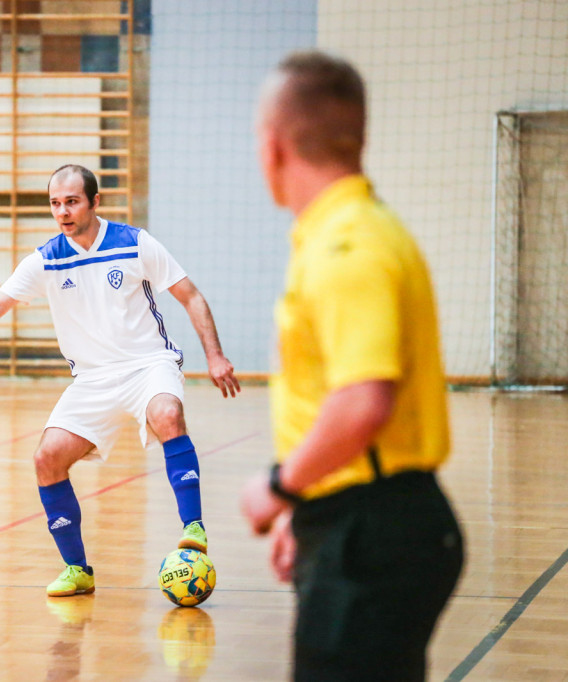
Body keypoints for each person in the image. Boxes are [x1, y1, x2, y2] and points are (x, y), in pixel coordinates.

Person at [240, 51, 463, 680]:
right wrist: (305, 506)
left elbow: (363, 402)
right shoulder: (359, 230)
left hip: (371, 535)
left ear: (274, 146)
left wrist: (279, 487)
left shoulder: (346, 248)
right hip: (365, 523)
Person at [0, 164, 240, 597]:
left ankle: (194, 527)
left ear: (95, 202)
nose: (63, 211)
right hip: (93, 381)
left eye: (72, 201)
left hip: (147, 365)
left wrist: (215, 355)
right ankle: (77, 570)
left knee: (167, 413)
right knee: (47, 459)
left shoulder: (135, 243)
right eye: (55, 203)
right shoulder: (46, 259)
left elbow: (190, 296)